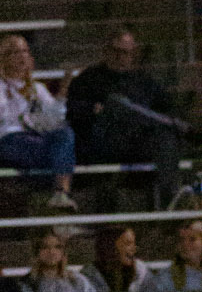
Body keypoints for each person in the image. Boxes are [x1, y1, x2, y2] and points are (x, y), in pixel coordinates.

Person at [65, 28, 184, 209]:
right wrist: (93, 110)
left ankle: (171, 201)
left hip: (137, 142)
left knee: (166, 139)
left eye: (127, 53)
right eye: (117, 51)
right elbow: (72, 112)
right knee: (115, 106)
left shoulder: (144, 82)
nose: (121, 57)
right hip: (103, 142)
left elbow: (167, 109)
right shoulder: (88, 80)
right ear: (106, 51)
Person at [0, 33, 77, 211]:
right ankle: (54, 190)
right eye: (16, 52)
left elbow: (53, 119)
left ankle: (61, 193)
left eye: (25, 51)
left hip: (35, 138)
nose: (22, 56)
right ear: (4, 58)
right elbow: (1, 116)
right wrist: (24, 99)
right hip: (6, 140)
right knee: (57, 155)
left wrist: (63, 91)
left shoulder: (37, 88)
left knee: (65, 134)